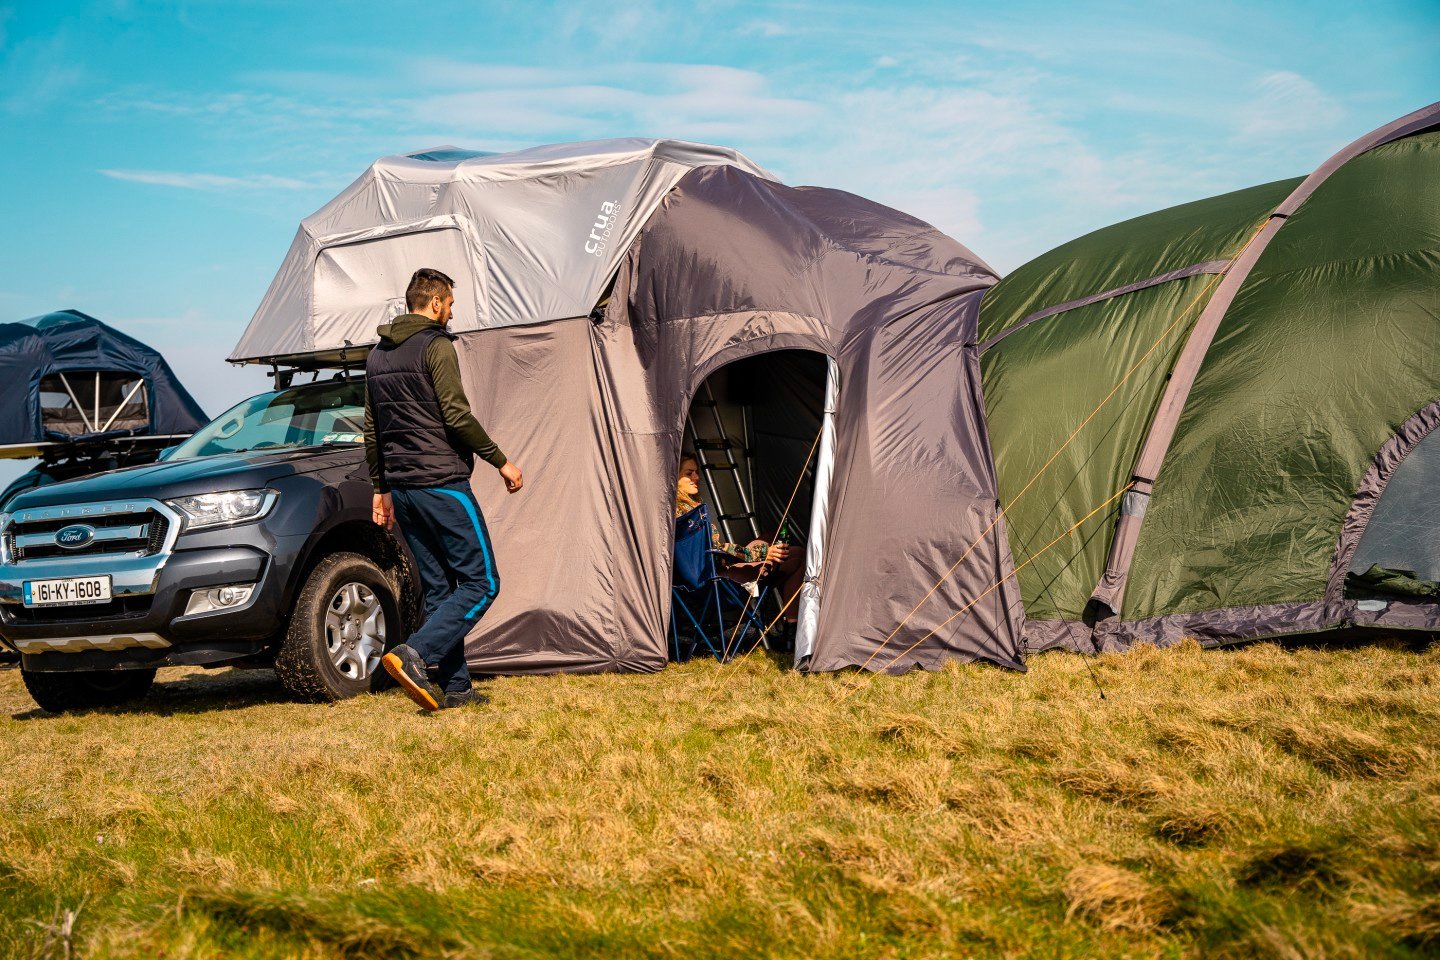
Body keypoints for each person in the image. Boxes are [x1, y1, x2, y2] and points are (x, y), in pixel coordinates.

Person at [367, 267, 524, 711]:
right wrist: (501, 461)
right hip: (442, 483)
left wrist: (381, 489)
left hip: (404, 489)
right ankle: (414, 654)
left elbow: (371, 427)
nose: (452, 313)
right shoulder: (435, 346)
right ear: (435, 303)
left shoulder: (377, 355)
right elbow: (456, 415)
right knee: (483, 581)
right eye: (451, 304)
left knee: (439, 590)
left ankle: (456, 688)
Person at [676, 453, 803, 645]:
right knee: (796, 555)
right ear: (674, 478)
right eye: (689, 473)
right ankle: (790, 633)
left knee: (771, 538)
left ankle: (789, 632)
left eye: (697, 472)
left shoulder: (671, 513)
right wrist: (759, 554)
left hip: (699, 582)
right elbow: (713, 549)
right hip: (718, 584)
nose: (696, 478)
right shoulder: (689, 517)